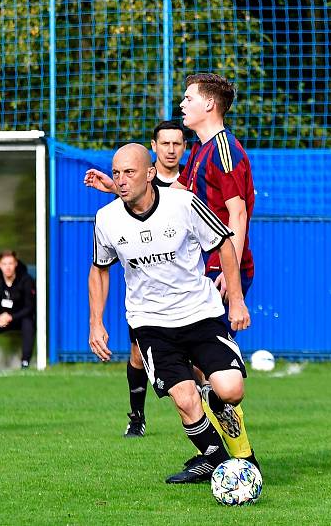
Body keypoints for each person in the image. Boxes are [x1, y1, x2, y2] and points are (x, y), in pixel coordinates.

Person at [84, 73, 257, 476]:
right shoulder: (197, 153)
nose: (181, 104)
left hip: (204, 294)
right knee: (186, 395)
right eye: (119, 172)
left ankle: (228, 454)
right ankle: (230, 462)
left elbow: (235, 215)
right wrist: (118, 188)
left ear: (209, 105)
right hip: (151, 320)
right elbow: (151, 198)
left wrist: (232, 290)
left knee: (226, 389)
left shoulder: (222, 151)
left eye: (188, 97)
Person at [123, 120, 188, 438]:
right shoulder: (142, 181)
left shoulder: (191, 183)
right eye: (165, 143)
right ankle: (136, 416)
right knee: (137, 354)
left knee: (199, 360)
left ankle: (203, 418)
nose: (171, 149)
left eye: (177, 143)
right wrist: (112, 185)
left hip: (185, 294)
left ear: (184, 147)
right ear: (154, 147)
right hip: (145, 293)